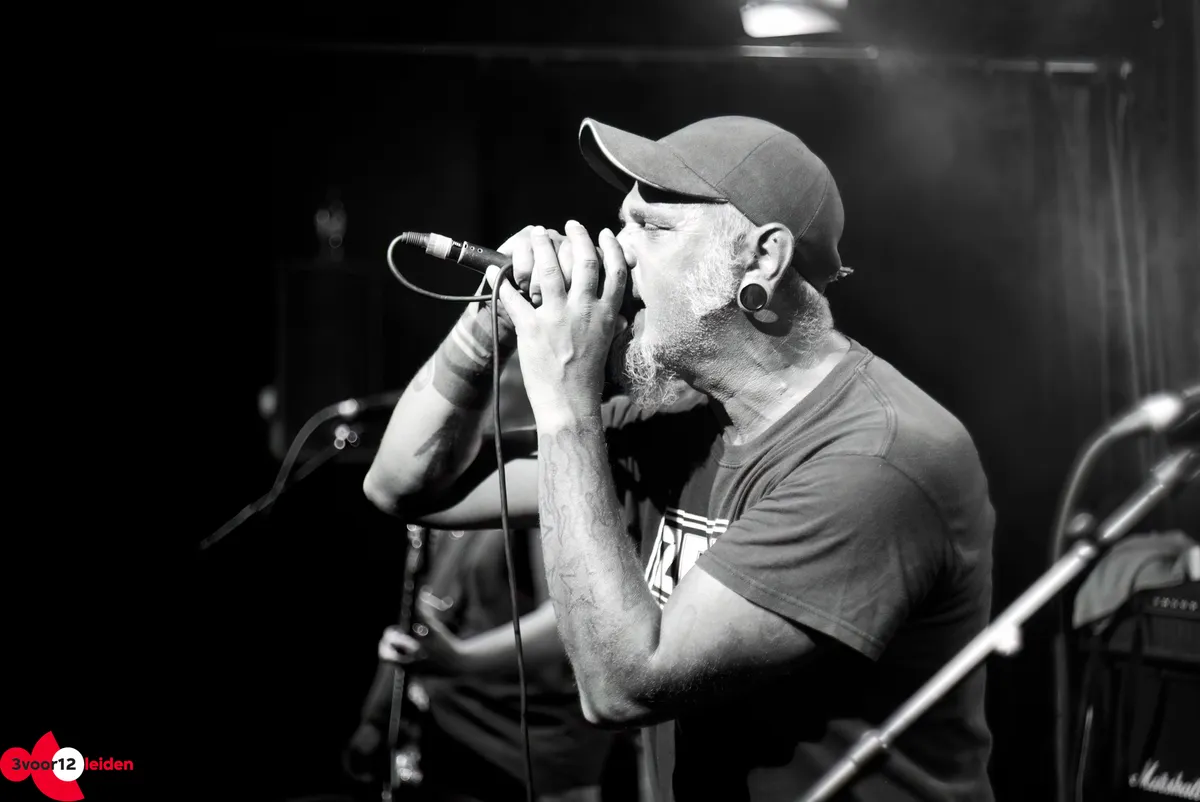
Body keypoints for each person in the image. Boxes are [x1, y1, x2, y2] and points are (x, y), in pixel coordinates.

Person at [364, 115, 996, 802]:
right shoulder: (680, 422)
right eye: (622, 223)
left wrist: (566, 401)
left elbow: (622, 687)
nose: (615, 251)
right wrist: (492, 320)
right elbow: (404, 485)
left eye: (653, 227)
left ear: (761, 258)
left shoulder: (877, 457)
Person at [345, 357, 622, 802]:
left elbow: (573, 617)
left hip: (524, 744)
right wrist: (377, 715)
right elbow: (422, 607)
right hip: (447, 726)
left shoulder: (549, 470)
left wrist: (463, 659)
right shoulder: (457, 473)